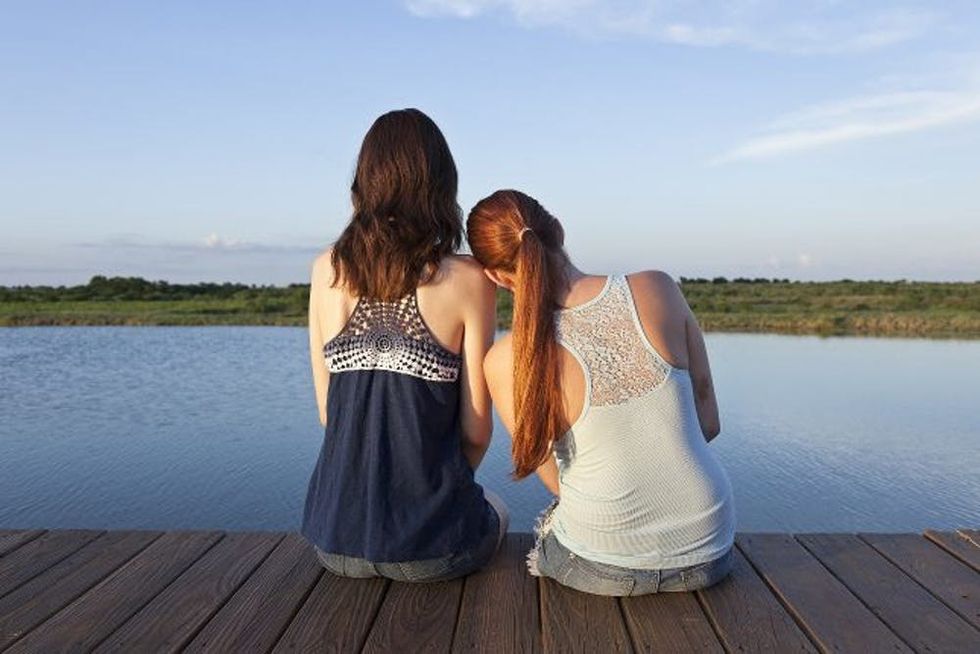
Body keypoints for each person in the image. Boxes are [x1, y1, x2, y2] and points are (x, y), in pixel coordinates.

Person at [466, 189, 735, 596]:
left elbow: (559, 484)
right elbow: (709, 425)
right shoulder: (657, 287)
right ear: (558, 227)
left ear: (497, 278)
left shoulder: (505, 360)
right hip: (709, 550)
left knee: (551, 526)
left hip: (602, 565)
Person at [300, 109, 508, 582]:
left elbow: (330, 415)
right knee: (498, 507)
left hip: (335, 545)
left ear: (365, 181)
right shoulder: (469, 279)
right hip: (434, 552)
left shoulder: (324, 269)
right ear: (439, 183)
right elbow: (476, 433)